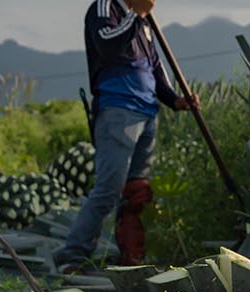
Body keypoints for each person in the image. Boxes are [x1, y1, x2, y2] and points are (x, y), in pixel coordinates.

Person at [56, 0, 197, 271]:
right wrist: (136, 14)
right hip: (118, 110)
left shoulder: (143, 22)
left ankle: (132, 258)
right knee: (109, 189)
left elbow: (154, 66)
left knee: (137, 192)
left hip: (147, 111)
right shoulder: (104, 7)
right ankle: (73, 255)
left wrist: (175, 100)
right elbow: (107, 46)